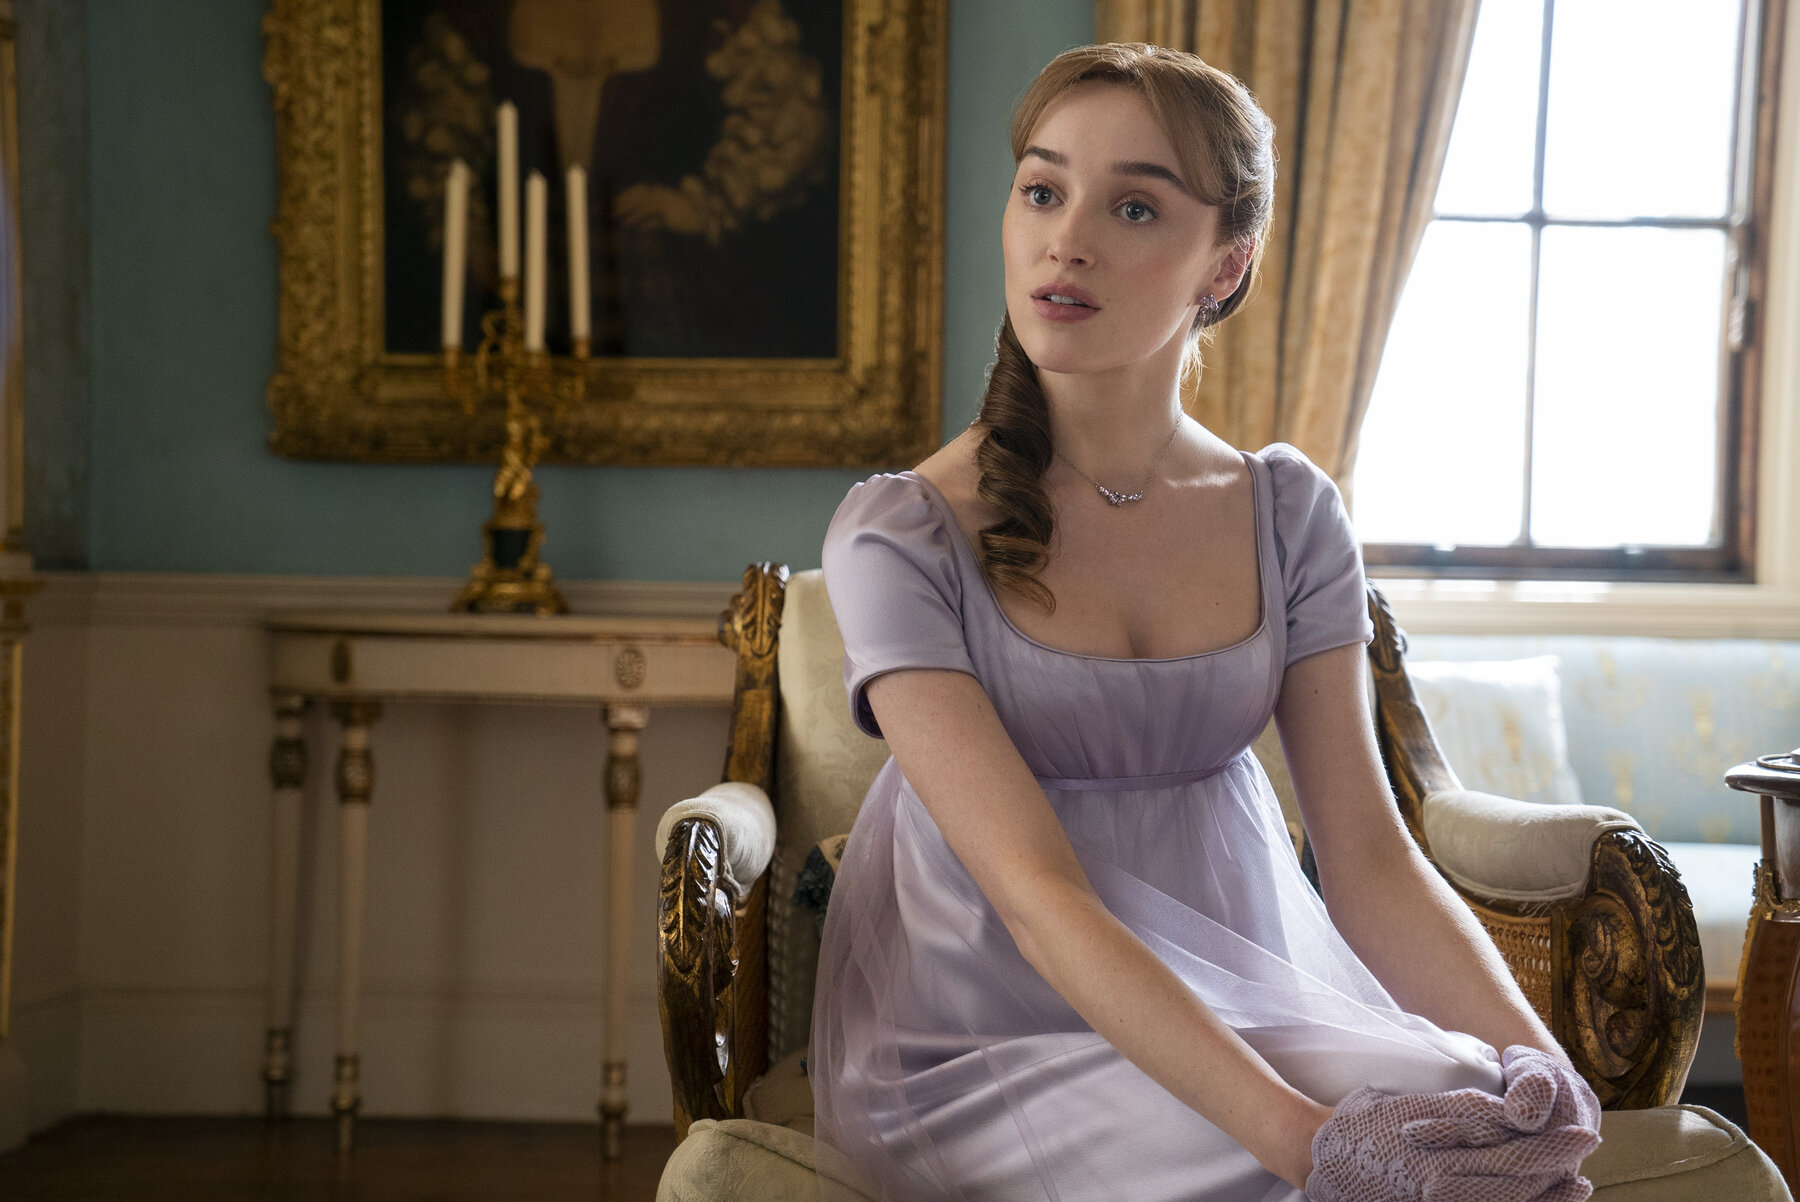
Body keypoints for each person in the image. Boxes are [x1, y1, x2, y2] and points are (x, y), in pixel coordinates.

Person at [810, 42, 1602, 1202]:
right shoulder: (901, 535)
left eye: (1133, 204)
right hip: (980, 1044)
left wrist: (1546, 1061)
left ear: (1224, 264)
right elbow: (1040, 898)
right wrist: (1303, 1138)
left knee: (1472, 1099)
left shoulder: (1288, 513)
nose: (1065, 238)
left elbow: (1370, 858)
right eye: (1042, 188)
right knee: (1286, 1164)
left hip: (1242, 1000)